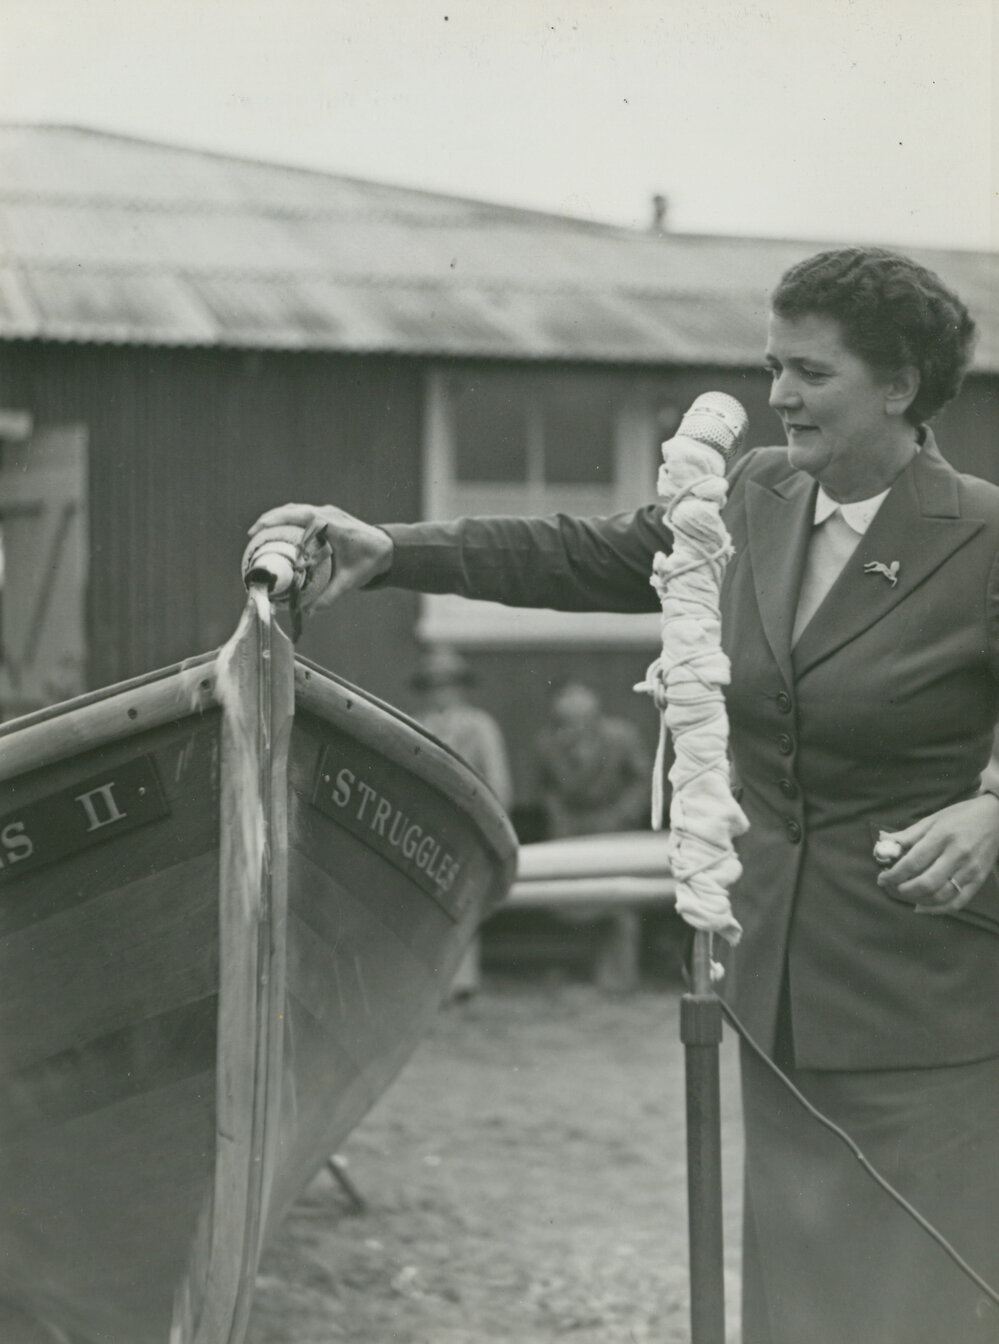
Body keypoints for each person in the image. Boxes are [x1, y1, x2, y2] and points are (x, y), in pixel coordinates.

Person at [250, 247, 999, 1343]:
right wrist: (393, 552)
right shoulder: (755, 495)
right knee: (800, 1285)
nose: (779, 396)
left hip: (925, 986)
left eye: (811, 373)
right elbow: (587, 555)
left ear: (900, 385)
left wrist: (993, 807)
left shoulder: (980, 535)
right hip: (775, 976)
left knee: (920, 1285)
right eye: (772, 366)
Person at [408, 644, 513, 998]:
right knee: (427, 901)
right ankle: (431, 982)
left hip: (470, 823)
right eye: (434, 684)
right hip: (427, 823)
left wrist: (495, 824)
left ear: (461, 687)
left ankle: (463, 982)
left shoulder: (479, 726)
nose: (442, 691)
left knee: (465, 899)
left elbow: (498, 780)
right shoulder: (416, 724)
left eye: (449, 683)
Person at [534, 680, 652, 991]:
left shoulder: (621, 736)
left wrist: (623, 815)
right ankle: (588, 973)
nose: (572, 728)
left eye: (580, 720)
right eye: (565, 721)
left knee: (621, 901)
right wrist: (559, 821)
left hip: (615, 825)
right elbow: (547, 789)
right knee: (579, 902)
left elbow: (642, 780)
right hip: (573, 828)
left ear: (595, 716)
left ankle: (621, 978)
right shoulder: (546, 743)